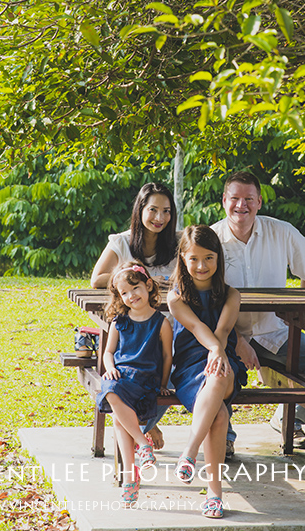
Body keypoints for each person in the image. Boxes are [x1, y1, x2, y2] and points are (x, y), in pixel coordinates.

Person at [211, 171, 305, 456]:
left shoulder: (280, 231)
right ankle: (224, 435)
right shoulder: (211, 239)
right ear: (224, 201)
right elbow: (205, 301)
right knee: (219, 371)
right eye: (234, 198)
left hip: (275, 332)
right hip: (228, 334)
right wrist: (237, 341)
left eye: (248, 199)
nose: (241, 206)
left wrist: (298, 311)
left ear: (259, 202)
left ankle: (288, 421)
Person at [168, 225, 247, 519]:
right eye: (194, 259)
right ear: (183, 260)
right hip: (190, 368)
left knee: (220, 373)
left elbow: (223, 330)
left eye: (209, 258)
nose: (202, 266)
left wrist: (218, 351)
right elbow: (197, 328)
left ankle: (189, 453)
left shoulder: (231, 295)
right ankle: (214, 495)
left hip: (227, 362)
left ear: (219, 258)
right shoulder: (176, 298)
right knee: (220, 416)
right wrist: (214, 350)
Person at [91, 182, 178, 449]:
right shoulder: (122, 242)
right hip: (133, 336)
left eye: (166, 211)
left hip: (166, 328)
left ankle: (145, 424)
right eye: (153, 210)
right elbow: (97, 279)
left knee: (176, 368)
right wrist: (140, 279)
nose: (159, 218)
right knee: (127, 376)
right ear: (140, 210)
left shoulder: (178, 243)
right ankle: (145, 429)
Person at [95, 262, 173, 506]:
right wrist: (111, 369)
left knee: (119, 419)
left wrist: (162, 384)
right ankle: (142, 446)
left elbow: (167, 357)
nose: (131, 296)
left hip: (146, 379)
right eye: (124, 293)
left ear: (148, 285)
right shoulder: (119, 322)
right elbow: (108, 352)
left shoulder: (161, 323)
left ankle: (131, 476)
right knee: (110, 389)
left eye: (135, 288)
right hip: (122, 377)